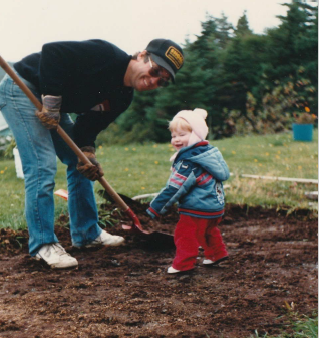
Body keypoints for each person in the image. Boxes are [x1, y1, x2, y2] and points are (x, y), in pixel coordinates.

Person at [0, 38, 184, 269]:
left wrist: (87, 152)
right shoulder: (105, 54)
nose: (155, 80)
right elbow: (52, 52)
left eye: (163, 81)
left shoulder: (123, 97)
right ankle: (43, 245)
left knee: (81, 162)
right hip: (22, 88)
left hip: (53, 105)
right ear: (142, 55)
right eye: (156, 70)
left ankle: (87, 234)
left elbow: (88, 126)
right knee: (41, 166)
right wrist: (53, 101)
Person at [147, 108, 230, 274]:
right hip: (215, 206)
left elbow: (175, 187)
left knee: (185, 235)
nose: (176, 140)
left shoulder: (188, 162)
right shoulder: (209, 154)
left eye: (182, 135)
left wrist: (156, 207)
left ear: (195, 136)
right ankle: (216, 254)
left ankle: (183, 265)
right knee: (208, 231)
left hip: (196, 207)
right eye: (173, 136)